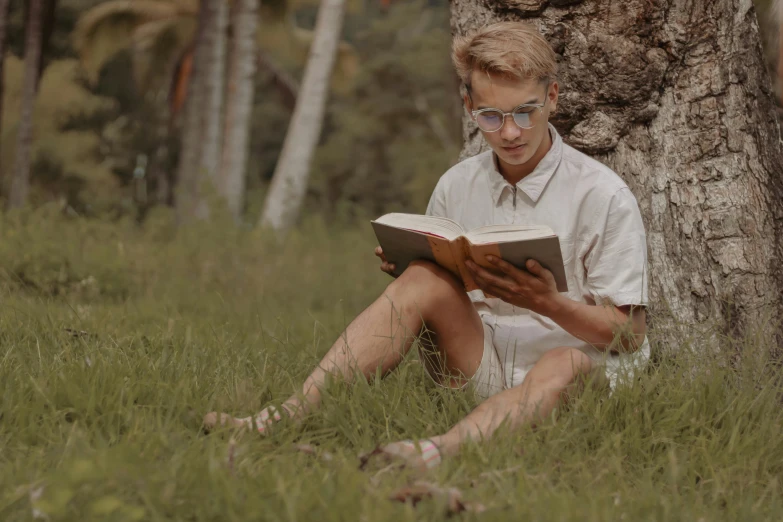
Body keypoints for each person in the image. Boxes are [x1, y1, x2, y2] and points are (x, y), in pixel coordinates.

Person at [204, 21, 650, 471]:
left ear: (552, 98)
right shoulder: (457, 185)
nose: (510, 133)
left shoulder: (602, 194)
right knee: (421, 279)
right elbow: (446, 287)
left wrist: (547, 303)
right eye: (490, 116)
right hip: (482, 360)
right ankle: (279, 422)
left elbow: (629, 335)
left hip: (572, 376)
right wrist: (414, 269)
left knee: (564, 362)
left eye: (524, 112)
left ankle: (433, 454)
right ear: (468, 105)